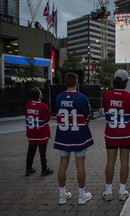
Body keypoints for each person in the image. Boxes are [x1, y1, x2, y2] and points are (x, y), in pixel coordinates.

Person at [54, 72, 94, 205]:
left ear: (65, 82)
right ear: (76, 82)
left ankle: (61, 195)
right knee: (80, 164)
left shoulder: (59, 97)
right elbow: (88, 116)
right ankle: (82, 195)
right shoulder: (82, 98)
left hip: (63, 135)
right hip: (79, 135)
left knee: (63, 164)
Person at [102, 69, 130, 201]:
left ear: (114, 81)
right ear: (126, 82)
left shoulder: (107, 95)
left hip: (111, 134)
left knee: (110, 162)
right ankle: (122, 191)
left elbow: (106, 110)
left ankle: (108, 191)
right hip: (126, 135)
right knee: (124, 162)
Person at [25, 87, 54, 177]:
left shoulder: (28, 105)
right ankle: (44, 169)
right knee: (42, 152)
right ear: (39, 95)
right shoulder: (43, 106)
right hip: (41, 132)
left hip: (31, 131)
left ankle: (28, 169)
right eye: (40, 93)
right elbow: (48, 117)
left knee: (31, 150)